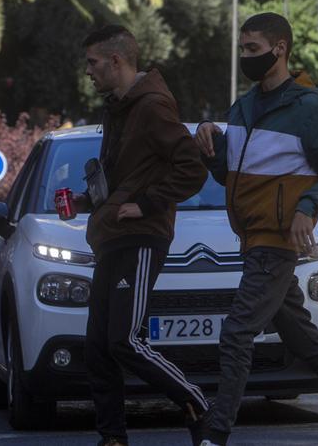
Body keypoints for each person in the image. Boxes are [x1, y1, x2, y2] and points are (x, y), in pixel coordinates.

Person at [193, 13, 318, 446]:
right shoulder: (242, 107)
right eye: (242, 49)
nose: (245, 57)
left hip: (276, 239)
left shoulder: (307, 107)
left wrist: (306, 208)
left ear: (280, 49)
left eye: (253, 49)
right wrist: (209, 141)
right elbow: (230, 175)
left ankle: (215, 432)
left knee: (237, 332)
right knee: (303, 337)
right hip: (252, 234)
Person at [79, 25, 210, 446]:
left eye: (93, 63)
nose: (89, 72)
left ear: (116, 61)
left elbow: (192, 167)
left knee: (125, 340)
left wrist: (149, 203)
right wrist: (88, 200)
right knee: (98, 345)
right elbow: (126, 176)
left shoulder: (152, 106)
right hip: (112, 235)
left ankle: (196, 402)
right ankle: (113, 438)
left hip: (140, 236)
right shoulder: (117, 108)